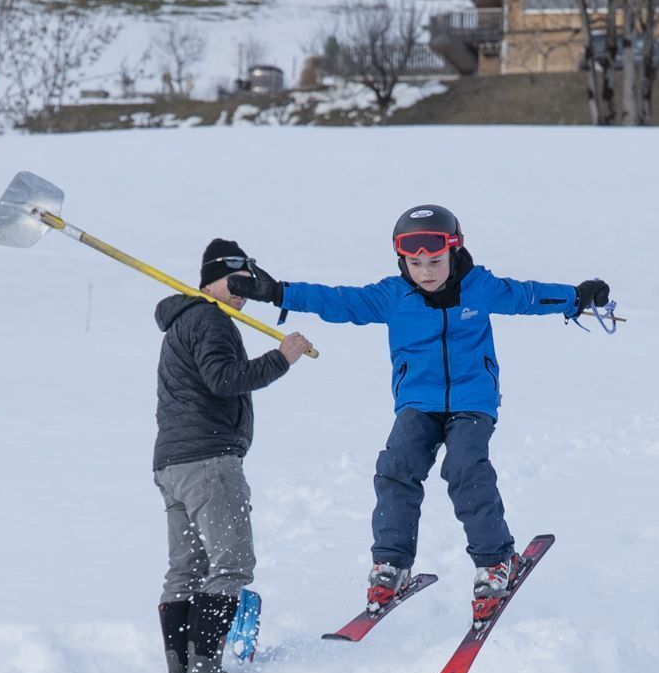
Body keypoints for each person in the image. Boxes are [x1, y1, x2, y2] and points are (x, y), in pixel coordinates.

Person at [229, 204, 609, 622]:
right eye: (415, 263)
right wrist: (281, 292)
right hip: (417, 403)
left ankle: (497, 560)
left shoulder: (479, 287)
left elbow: (528, 296)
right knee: (396, 467)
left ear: (454, 253)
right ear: (402, 261)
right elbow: (339, 301)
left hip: (472, 401)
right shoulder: (393, 296)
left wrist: (577, 296)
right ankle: (391, 563)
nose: (426, 271)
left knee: (465, 468)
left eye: (435, 261)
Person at [153, 238, 314, 673]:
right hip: (208, 461)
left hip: (172, 464)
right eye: (233, 281)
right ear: (210, 280)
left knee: (185, 570)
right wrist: (282, 357)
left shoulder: (183, 321)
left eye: (247, 282)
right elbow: (225, 380)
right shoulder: (208, 319)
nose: (242, 291)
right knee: (231, 564)